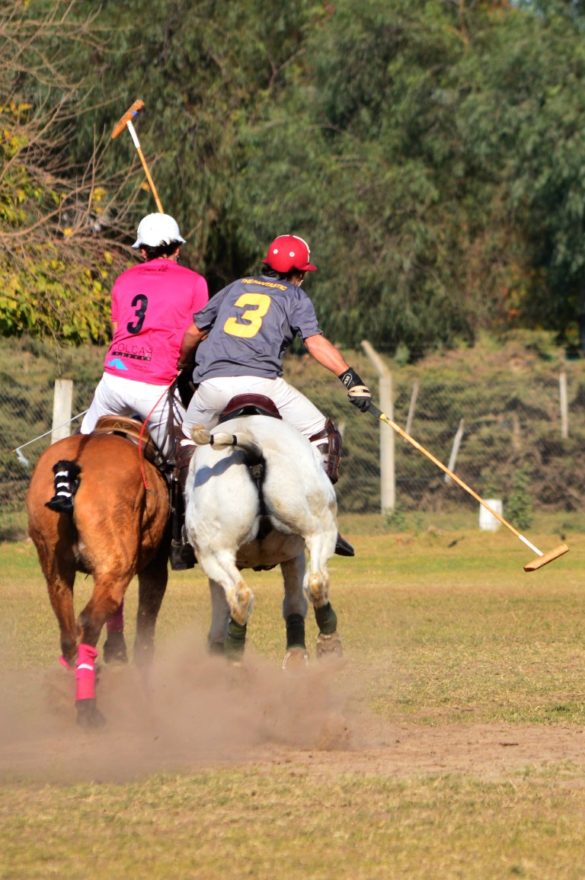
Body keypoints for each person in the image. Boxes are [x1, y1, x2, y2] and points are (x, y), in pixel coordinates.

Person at [179, 233, 372, 556]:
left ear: (268, 265)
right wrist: (350, 378)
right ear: (299, 273)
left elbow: (194, 331)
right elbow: (314, 342)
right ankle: (321, 523)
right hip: (263, 384)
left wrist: (183, 363)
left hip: (212, 388)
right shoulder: (295, 297)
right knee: (323, 433)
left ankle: (185, 532)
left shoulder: (236, 286)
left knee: (186, 441)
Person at [46, 212, 208, 516]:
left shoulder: (124, 279)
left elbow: (116, 330)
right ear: (177, 248)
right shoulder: (195, 282)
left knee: (84, 439)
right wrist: (182, 363)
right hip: (156, 387)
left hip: (114, 380)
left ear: (143, 251)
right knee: (187, 459)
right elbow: (195, 335)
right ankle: (184, 530)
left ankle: (65, 481)